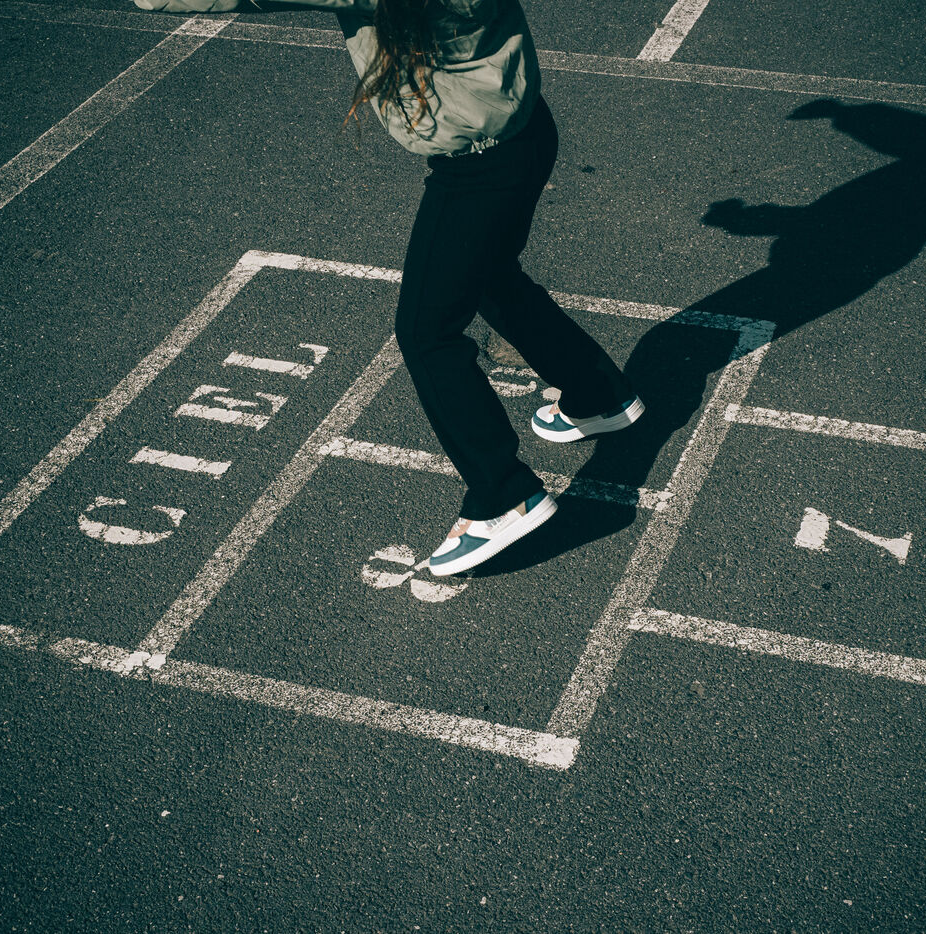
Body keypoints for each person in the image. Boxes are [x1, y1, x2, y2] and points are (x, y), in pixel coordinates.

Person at [135, 0, 644, 574]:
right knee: (490, 275)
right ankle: (599, 395)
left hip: (478, 171)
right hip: (526, 131)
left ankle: (505, 494)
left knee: (427, 333)